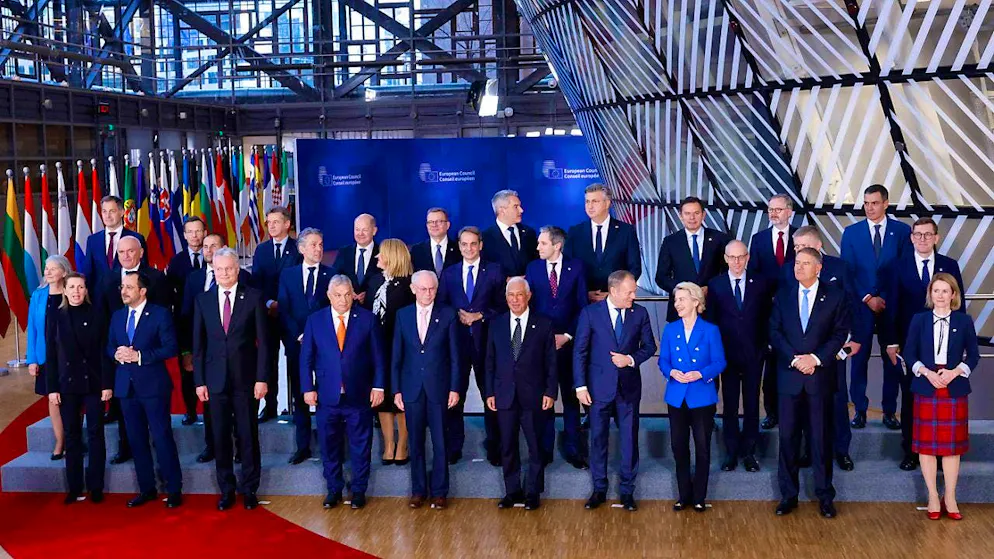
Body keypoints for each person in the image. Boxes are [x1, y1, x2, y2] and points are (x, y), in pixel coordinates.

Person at [769, 248, 850, 519]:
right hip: (790, 378)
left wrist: (815, 358)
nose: (799, 268)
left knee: (820, 440)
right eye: (797, 263)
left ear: (819, 267)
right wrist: (795, 360)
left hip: (819, 378)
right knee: (788, 439)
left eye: (805, 263)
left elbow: (840, 334)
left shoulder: (835, 296)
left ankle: (824, 496)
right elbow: (775, 332)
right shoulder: (783, 295)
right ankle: (788, 496)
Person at [881, 217, 965, 472]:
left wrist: (959, 344)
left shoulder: (950, 265)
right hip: (909, 346)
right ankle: (912, 452)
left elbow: (959, 307)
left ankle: (941, 454)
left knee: (942, 401)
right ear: (911, 237)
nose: (922, 239)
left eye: (928, 235)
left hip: (944, 346)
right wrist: (891, 343)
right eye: (918, 234)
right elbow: (890, 309)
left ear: (936, 238)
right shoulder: (896, 266)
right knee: (911, 400)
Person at [193, 248, 270, 511]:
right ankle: (226, 489)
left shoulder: (253, 297)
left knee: (248, 435)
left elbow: (264, 344)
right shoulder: (202, 300)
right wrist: (199, 382)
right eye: (219, 269)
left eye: (228, 268)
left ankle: (249, 489)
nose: (224, 273)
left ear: (237, 269)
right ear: (213, 270)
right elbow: (198, 345)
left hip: (246, 380)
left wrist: (262, 378)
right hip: (214, 382)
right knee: (220, 437)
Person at [300, 275, 386, 510]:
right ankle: (334, 489)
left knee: (361, 445)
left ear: (353, 294)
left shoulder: (367, 319)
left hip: (359, 395)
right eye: (337, 295)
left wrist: (378, 386)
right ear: (329, 296)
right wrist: (308, 388)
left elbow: (379, 358)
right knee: (329, 445)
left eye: (347, 294)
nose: (343, 299)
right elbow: (306, 358)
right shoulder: (315, 321)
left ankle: (358, 490)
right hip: (327, 396)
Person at [574, 270, 657, 512]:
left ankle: (627, 491)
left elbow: (650, 346)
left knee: (629, 440)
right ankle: (599, 489)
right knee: (597, 439)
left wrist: (630, 359)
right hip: (598, 389)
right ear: (613, 291)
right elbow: (580, 352)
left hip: (628, 389)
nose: (634, 296)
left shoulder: (639, 313)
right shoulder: (590, 314)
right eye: (629, 292)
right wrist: (580, 386)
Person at [902, 274, 978, 521]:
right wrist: (926, 372)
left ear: (953, 295)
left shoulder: (964, 321)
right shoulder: (919, 320)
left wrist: (956, 372)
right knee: (926, 447)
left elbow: (974, 356)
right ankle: (933, 496)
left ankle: (951, 497)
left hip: (953, 388)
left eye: (946, 291)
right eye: (936, 290)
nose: (941, 295)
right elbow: (909, 354)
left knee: (951, 448)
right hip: (927, 386)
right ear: (930, 294)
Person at [106, 271, 182, 508]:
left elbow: (170, 348)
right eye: (122, 287)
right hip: (125, 388)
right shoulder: (117, 316)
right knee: (136, 440)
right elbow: (109, 345)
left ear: (142, 290)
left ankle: (174, 489)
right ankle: (147, 488)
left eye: (129, 287)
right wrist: (116, 354)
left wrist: (140, 356)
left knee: (161, 438)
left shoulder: (159, 314)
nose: (124, 291)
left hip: (153, 387)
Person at [840, 184, 912, 430]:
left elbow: (904, 270)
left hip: (891, 308)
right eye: (866, 203)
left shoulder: (902, 232)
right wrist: (868, 297)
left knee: (891, 359)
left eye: (874, 203)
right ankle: (859, 410)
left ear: (886, 203)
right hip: (861, 308)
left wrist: (884, 298)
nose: (869, 208)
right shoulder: (851, 233)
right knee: (858, 359)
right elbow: (847, 273)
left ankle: (889, 411)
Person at [485, 277, 557, 511]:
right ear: (505, 298)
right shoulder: (496, 324)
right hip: (504, 395)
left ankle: (533, 492)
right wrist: (489, 392)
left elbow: (551, 362)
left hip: (534, 395)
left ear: (528, 296)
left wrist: (550, 392)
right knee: (507, 445)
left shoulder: (544, 324)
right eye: (510, 295)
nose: (515, 299)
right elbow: (490, 362)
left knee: (535, 446)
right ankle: (512, 491)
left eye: (519, 295)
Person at [437, 226, 506, 465]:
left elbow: (503, 306)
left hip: (487, 344)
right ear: (459, 246)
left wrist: (480, 316)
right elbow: (442, 306)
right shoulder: (449, 273)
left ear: (481, 245)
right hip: (456, 345)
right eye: (464, 244)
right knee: (455, 396)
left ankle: (496, 447)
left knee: (491, 396)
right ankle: (454, 447)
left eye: (473, 244)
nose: (469, 248)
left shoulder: (495, 271)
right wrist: (457, 314)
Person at [392, 271, 461, 509]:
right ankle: (419, 490)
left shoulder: (448, 314)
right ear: (413, 289)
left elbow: (455, 357)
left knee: (441, 442)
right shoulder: (402, 315)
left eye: (432, 289)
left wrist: (455, 388)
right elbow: (397, 356)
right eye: (423, 289)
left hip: (439, 389)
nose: (428, 293)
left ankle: (440, 491)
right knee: (417, 442)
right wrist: (396, 390)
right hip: (411, 389)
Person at [182, 233, 252, 463]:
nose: (223, 272)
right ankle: (213, 451)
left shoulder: (249, 290)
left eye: (214, 246)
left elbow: (258, 338)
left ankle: (243, 459)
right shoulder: (198, 288)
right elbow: (194, 333)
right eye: (206, 246)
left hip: (242, 371)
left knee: (246, 428)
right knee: (216, 424)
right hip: (213, 372)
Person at [100, 236, 169, 464]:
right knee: (129, 423)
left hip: (149, 369)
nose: (126, 256)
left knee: (160, 433)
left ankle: (170, 483)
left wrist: (138, 354)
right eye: (121, 252)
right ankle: (126, 449)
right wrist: (115, 352)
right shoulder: (108, 279)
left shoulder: (156, 279)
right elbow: (108, 324)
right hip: (122, 369)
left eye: (131, 251)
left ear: (140, 252)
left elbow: (164, 325)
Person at [706, 241, 774, 472]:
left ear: (747, 258)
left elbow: (768, 317)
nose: (736, 262)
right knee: (730, 406)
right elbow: (712, 322)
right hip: (727, 357)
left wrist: (766, 346)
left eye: (741, 257)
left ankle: (749, 452)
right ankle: (731, 452)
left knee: (753, 404)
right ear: (725, 258)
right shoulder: (715, 285)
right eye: (732, 257)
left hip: (755, 354)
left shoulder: (761, 283)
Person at [46, 273, 113, 504]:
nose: (76, 291)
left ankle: (96, 486)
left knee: (96, 434)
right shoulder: (55, 316)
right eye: (72, 287)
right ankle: (74, 487)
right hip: (66, 385)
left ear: (86, 291)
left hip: (93, 383)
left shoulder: (97, 314)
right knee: (72, 435)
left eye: (80, 287)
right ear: (64, 290)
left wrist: (107, 384)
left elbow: (105, 351)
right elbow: (51, 355)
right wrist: (52, 387)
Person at [525, 225, 589, 469]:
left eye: (542, 243)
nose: (538, 247)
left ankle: (574, 450)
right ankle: (544, 451)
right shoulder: (533, 268)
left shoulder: (578, 267)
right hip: (541, 346)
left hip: (569, 344)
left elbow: (582, 305)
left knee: (571, 399)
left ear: (557, 245)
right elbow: (529, 307)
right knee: (544, 399)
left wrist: (568, 335)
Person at [660, 282, 726, 511]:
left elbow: (720, 362)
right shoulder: (670, 329)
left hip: (701, 396)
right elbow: (663, 360)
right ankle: (683, 495)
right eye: (675, 300)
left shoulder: (710, 330)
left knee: (702, 447)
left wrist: (701, 373)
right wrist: (671, 371)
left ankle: (699, 496)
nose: (677, 304)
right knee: (678, 446)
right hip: (677, 395)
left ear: (696, 301)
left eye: (681, 299)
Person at [277, 227, 333, 466]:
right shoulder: (288, 275)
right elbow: (284, 308)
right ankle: (303, 447)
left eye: (320, 244)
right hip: (296, 344)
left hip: (326, 348)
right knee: (300, 396)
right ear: (301, 249)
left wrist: (315, 336)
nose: (318, 249)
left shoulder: (332, 275)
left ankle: (329, 447)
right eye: (313, 245)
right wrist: (299, 335)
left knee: (326, 395)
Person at [748, 194, 797, 429]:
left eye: (778, 209)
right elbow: (754, 276)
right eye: (770, 209)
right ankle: (771, 412)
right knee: (770, 366)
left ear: (790, 211)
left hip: (797, 311)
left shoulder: (801, 236)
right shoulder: (758, 240)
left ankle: (793, 412)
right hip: (767, 312)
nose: (773, 213)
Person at [365, 239, 415, 466]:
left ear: (392, 256)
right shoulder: (374, 281)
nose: (376, 258)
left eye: (380, 254)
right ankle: (388, 444)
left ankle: (403, 444)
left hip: (402, 349)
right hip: (376, 349)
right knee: (382, 399)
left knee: (401, 398)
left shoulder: (409, 286)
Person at [252, 206, 301, 422]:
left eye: (275, 221)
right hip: (267, 316)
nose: (271, 225)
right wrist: (269, 303)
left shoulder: (298, 249)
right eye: (269, 222)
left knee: (295, 362)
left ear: (287, 224)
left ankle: (298, 408)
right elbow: (256, 283)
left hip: (291, 316)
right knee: (268, 361)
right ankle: (270, 406)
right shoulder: (261, 250)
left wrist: (283, 304)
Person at [654, 196, 730, 321]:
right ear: (681, 216)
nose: (692, 218)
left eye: (696, 213)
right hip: (681, 309)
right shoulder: (670, 242)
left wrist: (710, 288)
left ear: (703, 215)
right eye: (687, 213)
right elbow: (661, 277)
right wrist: (685, 289)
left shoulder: (720, 239)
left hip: (713, 307)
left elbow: (729, 273)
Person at [26, 255, 72, 461]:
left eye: (53, 269)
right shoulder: (38, 295)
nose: (48, 272)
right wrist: (32, 359)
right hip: (46, 357)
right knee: (53, 400)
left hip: (70, 357)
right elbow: (33, 331)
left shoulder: (73, 292)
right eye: (47, 268)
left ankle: (74, 439)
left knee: (72, 399)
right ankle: (59, 441)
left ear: (63, 272)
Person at [563, 184, 642, 302]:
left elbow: (634, 267)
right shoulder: (575, 232)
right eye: (587, 202)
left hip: (617, 300)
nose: (590, 206)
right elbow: (567, 267)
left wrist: (615, 293)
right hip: (584, 302)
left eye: (595, 201)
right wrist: (584, 292)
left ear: (607, 203)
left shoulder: (626, 231)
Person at [166, 216, 207, 426]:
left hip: (210, 324)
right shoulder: (177, 261)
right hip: (185, 323)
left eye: (198, 231)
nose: (194, 235)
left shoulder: (214, 258)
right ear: (184, 235)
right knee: (187, 370)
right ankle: (190, 411)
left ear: (204, 232)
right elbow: (171, 294)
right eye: (190, 232)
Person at [83, 195, 147, 303]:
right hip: (100, 301)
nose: (107, 216)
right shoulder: (92, 240)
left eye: (112, 211)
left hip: (128, 299)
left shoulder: (136, 238)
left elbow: (143, 269)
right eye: (104, 211)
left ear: (122, 212)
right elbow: (89, 272)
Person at [482, 189, 538, 277]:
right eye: (516, 206)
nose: (521, 210)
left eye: (520, 206)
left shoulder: (529, 233)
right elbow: (484, 269)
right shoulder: (485, 238)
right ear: (502, 210)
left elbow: (536, 263)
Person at [331, 213, 379, 304]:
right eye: (357, 229)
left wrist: (370, 294)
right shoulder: (344, 252)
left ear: (374, 231)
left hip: (374, 309)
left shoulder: (382, 253)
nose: (360, 233)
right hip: (349, 307)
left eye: (365, 230)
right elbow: (335, 277)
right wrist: (347, 292)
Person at [411, 207, 460, 276]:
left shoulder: (459, 249)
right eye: (430, 222)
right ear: (427, 225)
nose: (434, 225)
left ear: (447, 225)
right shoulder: (417, 250)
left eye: (439, 221)